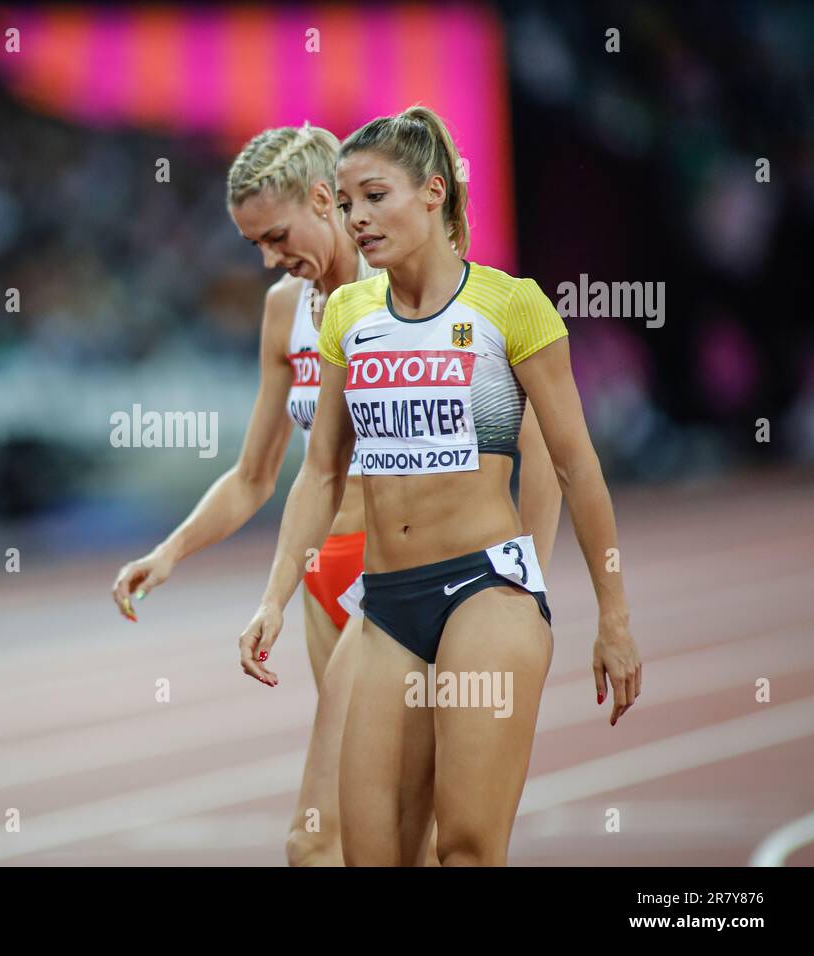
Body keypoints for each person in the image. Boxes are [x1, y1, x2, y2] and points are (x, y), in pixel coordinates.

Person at [114, 121, 563, 865]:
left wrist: (531, 578)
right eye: (253, 244)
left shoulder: (410, 293)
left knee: (319, 842)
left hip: (394, 576)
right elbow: (259, 475)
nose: (268, 259)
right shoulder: (285, 311)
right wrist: (170, 553)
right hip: (325, 576)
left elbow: (541, 440)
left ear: (325, 202)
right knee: (385, 837)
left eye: (277, 234)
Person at [238, 106, 641, 866]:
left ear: (432, 193)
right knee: (370, 855)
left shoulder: (509, 304)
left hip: (483, 593)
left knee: (463, 851)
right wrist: (274, 595)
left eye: (375, 196)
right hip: (386, 607)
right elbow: (321, 472)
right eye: (347, 201)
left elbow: (574, 466)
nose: (357, 217)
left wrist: (612, 617)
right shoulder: (348, 315)